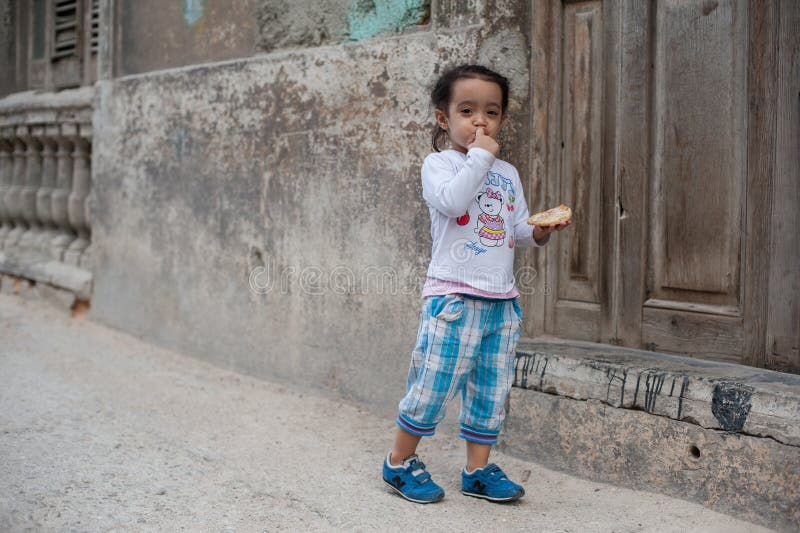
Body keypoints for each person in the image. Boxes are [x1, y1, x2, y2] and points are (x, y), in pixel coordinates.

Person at [382, 64, 571, 504]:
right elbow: (453, 202)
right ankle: (397, 463)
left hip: (501, 302)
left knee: (491, 390)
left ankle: (477, 471)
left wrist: (540, 230)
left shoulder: (508, 174)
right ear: (443, 119)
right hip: (453, 298)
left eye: (492, 112)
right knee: (433, 383)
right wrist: (480, 157)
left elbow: (516, 230)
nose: (480, 121)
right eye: (467, 111)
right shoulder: (439, 164)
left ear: (503, 118)